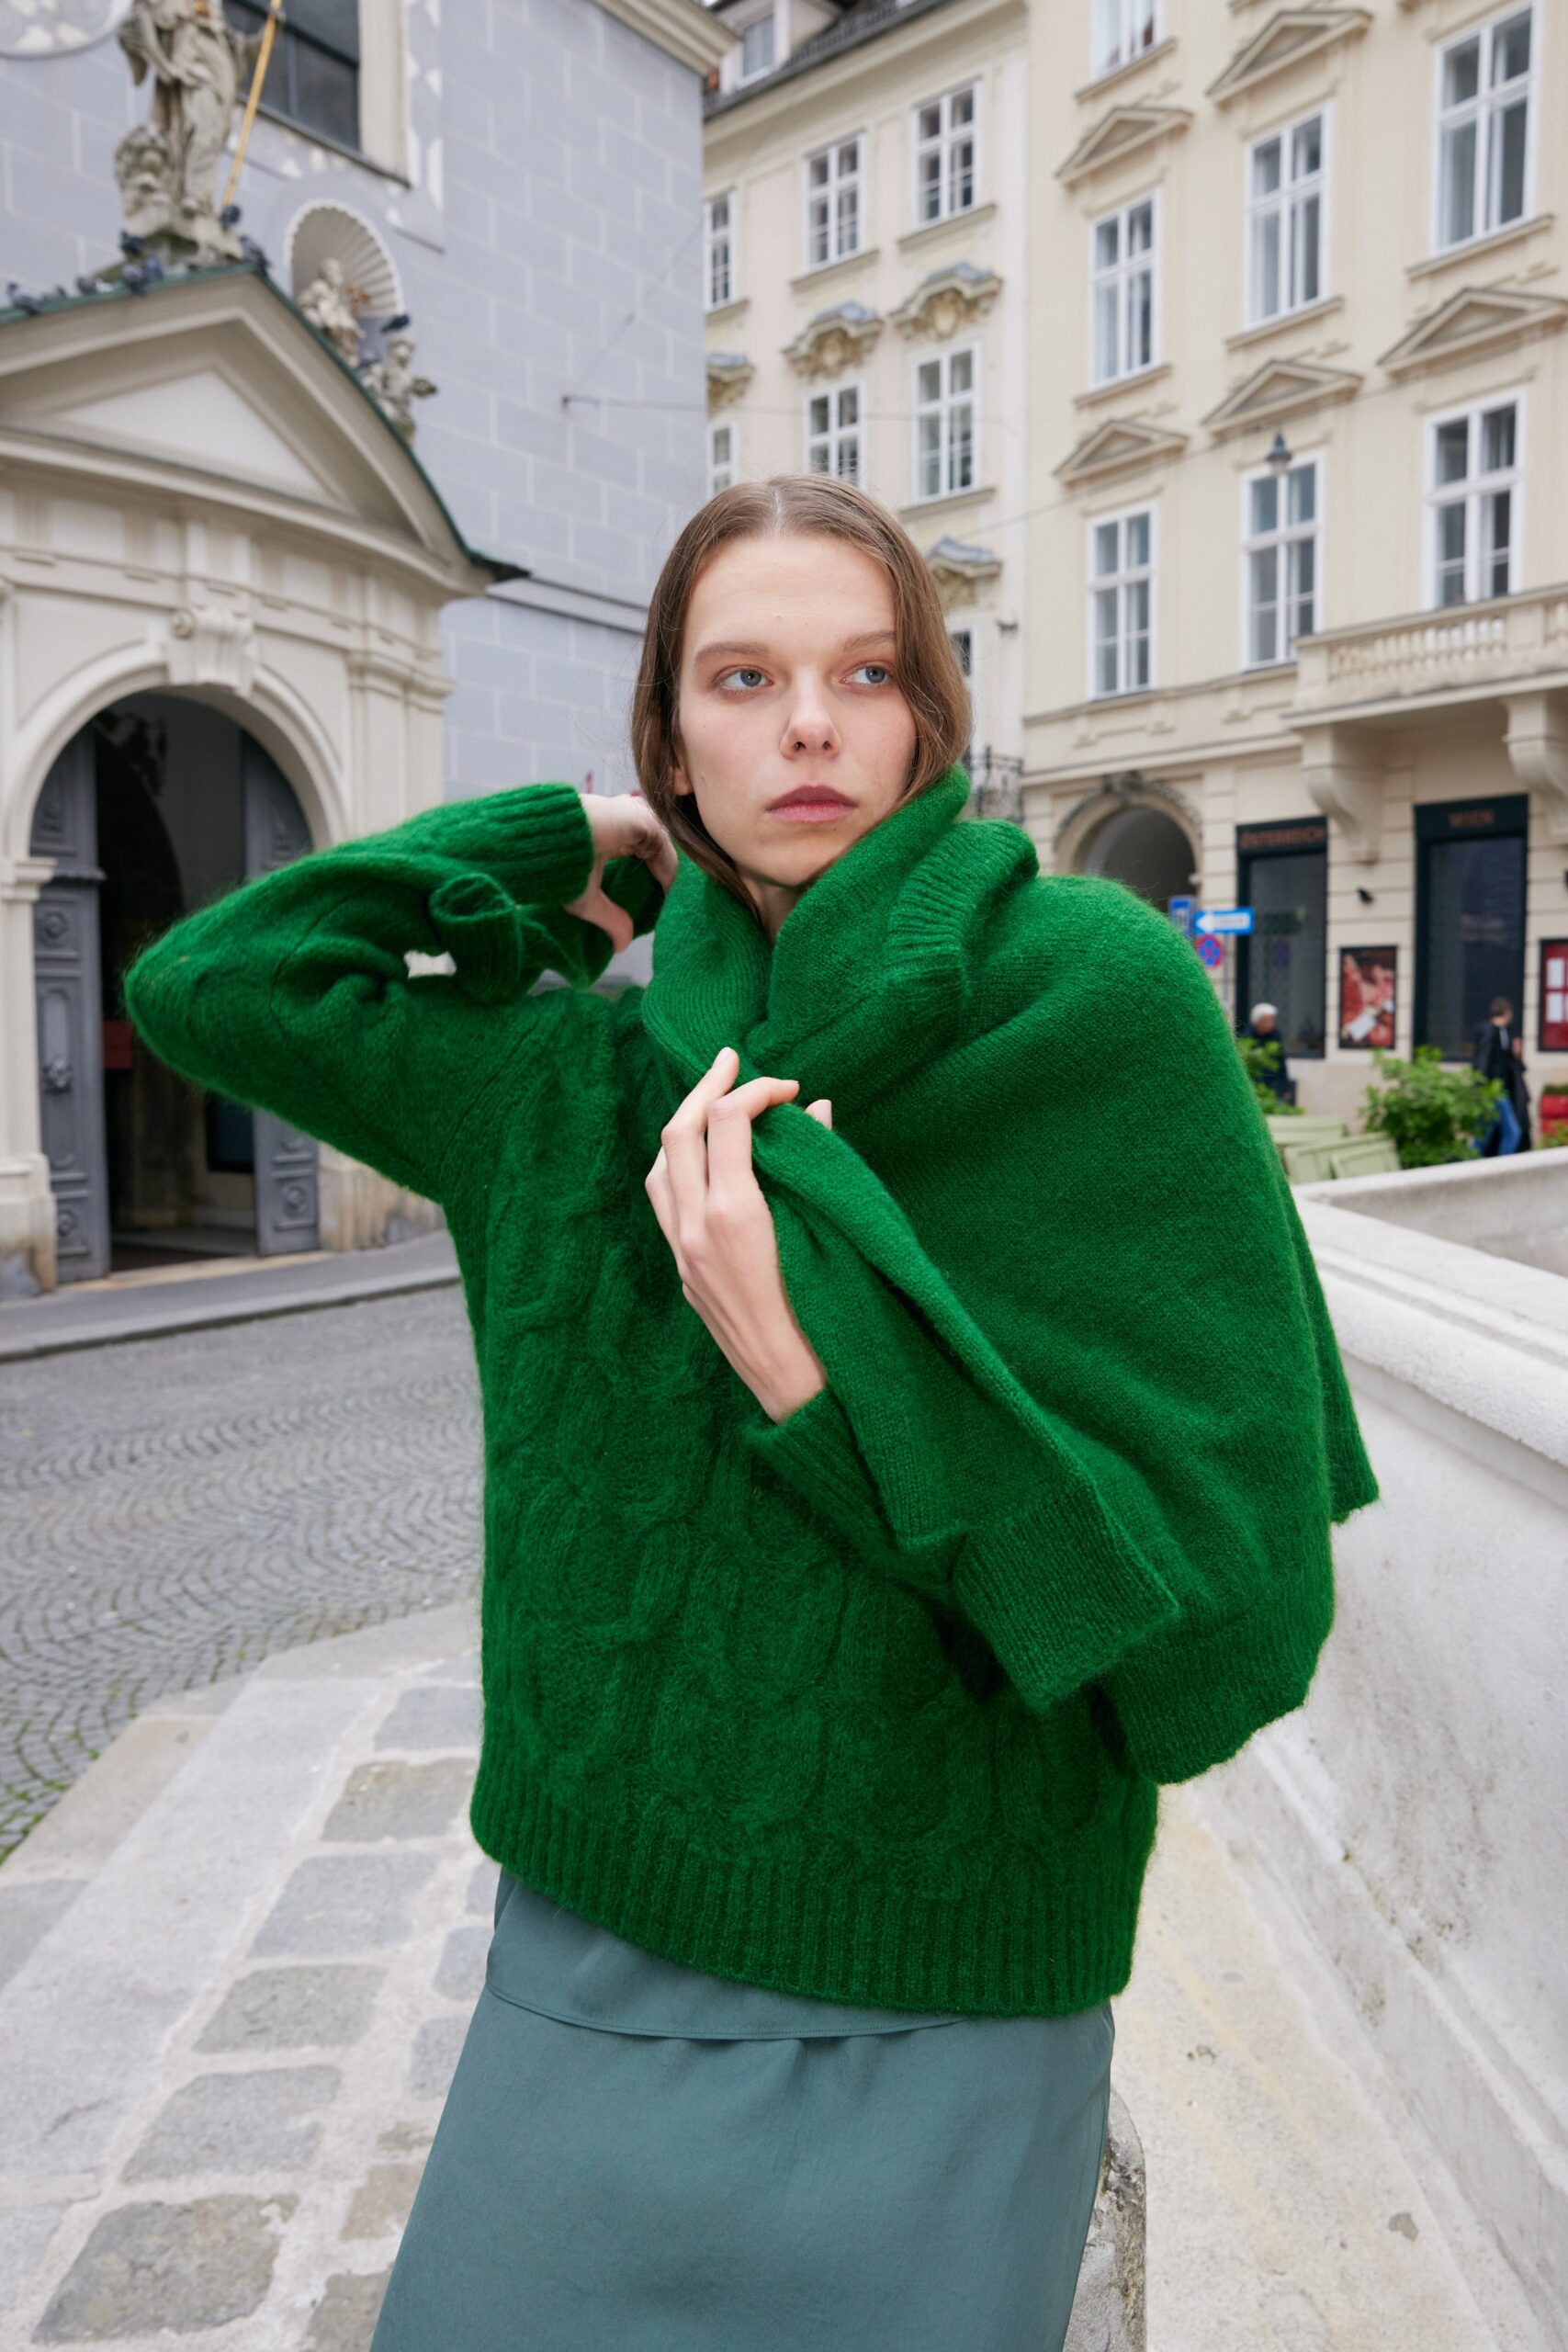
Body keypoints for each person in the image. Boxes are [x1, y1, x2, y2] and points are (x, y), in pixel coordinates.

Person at [122, 475, 1380, 2351]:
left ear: (927, 718)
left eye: (863, 671)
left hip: (951, 1993)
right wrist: (559, 850)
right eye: (740, 675)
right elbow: (212, 982)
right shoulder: (570, 1073)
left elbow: (1218, 1619)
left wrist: (812, 1371)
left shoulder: (1095, 1009)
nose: (806, 719)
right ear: (671, 740)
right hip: (587, 1978)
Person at [1472, 995, 1532, 1155]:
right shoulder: (1490, 1032)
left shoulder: (1504, 1033)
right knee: (1511, 1132)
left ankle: (1474, 1162)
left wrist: (1516, 1055)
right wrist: (1480, 1088)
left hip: (1500, 1091)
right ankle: (1499, 1165)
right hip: (1493, 1092)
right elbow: (1482, 1061)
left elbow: (1510, 1064)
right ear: (1507, 1012)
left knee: (1485, 1133)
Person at [1242, 999, 1296, 1107]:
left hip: (1274, 1087)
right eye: (1268, 1020)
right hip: (1254, 1087)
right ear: (1258, 1021)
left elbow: (1281, 1063)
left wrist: (1286, 1088)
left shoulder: (1276, 1036)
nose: (1271, 1024)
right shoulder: (1246, 1037)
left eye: (1272, 1020)